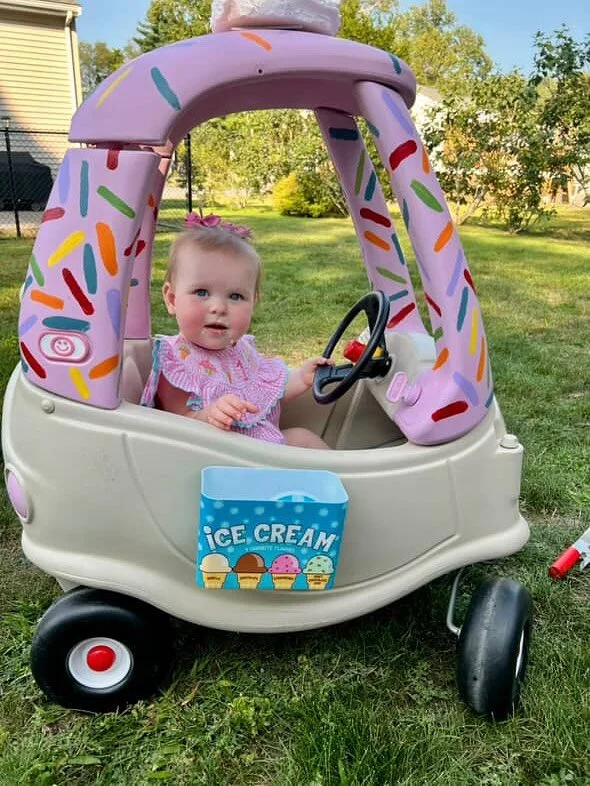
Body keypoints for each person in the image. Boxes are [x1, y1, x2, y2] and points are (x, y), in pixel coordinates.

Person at [140, 214, 333, 449]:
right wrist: (209, 415)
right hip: (225, 462)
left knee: (303, 438)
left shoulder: (241, 351)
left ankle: (344, 483)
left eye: (235, 296)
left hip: (264, 449)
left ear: (253, 302)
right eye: (201, 292)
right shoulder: (177, 359)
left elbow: (270, 390)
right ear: (172, 299)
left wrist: (302, 377)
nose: (219, 308)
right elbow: (177, 424)